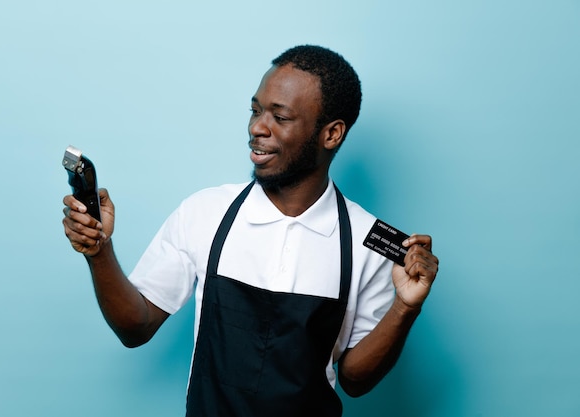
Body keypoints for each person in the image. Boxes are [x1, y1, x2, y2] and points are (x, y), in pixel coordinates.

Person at [62, 45, 439, 417]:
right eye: (256, 110)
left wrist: (405, 306)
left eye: (281, 117)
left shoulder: (368, 240)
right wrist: (99, 251)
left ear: (332, 134)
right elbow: (136, 327)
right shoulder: (205, 212)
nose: (258, 127)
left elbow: (356, 380)